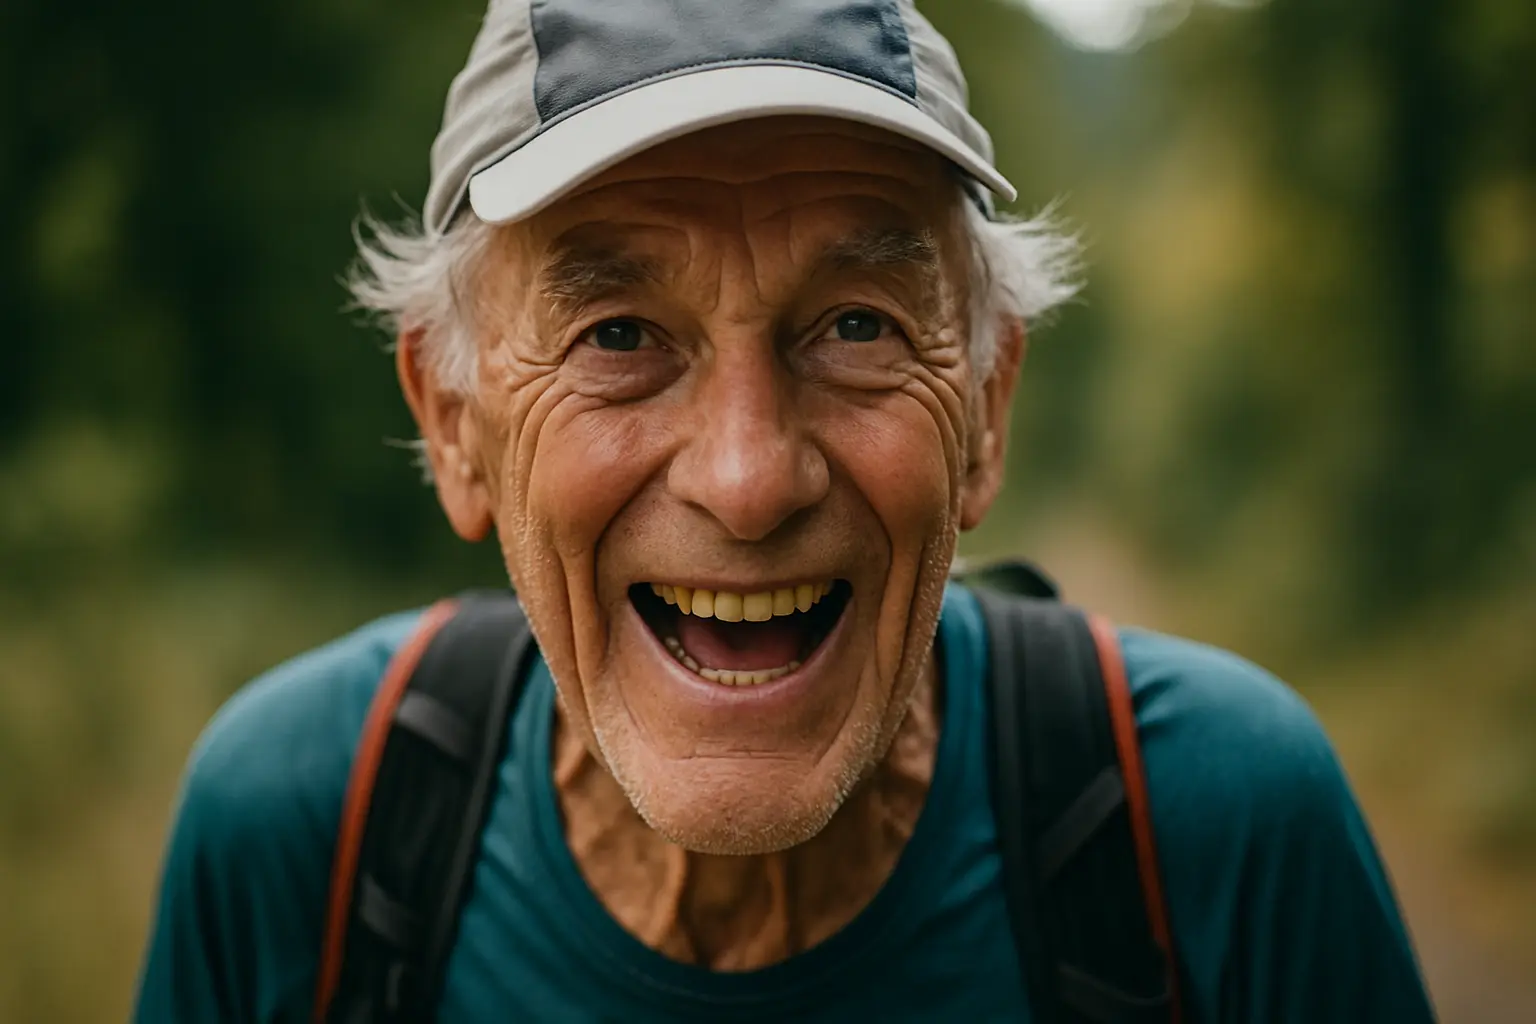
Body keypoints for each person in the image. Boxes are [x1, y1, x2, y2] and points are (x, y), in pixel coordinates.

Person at [133, 1, 1437, 1020]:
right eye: (621, 332)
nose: (749, 480)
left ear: (986, 405)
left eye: (857, 325)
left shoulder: (1221, 830)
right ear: (457, 424)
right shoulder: (308, 841)